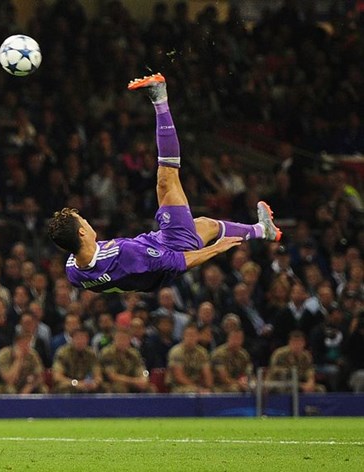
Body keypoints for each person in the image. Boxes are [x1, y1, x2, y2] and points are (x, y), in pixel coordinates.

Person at [48, 73, 281, 294]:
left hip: (156, 251)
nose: (88, 223)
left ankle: (263, 230)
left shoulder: (73, 271)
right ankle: (159, 97)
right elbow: (180, 263)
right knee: (166, 179)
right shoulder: (127, 256)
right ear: (81, 232)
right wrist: (216, 249)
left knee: (206, 225)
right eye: (84, 222)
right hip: (170, 249)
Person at [165, 323, 214, 393]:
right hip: (178, 386)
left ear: (198, 337)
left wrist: (209, 387)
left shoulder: (202, 352)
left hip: (197, 384)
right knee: (192, 392)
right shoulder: (176, 351)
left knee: (213, 392)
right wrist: (196, 388)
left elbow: (207, 372)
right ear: (183, 336)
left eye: (194, 335)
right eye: (188, 335)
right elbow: (178, 376)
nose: (191, 338)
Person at [211, 328, 253, 393]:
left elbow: (248, 372)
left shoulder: (244, 355)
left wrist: (246, 382)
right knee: (234, 390)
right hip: (220, 386)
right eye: (234, 338)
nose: (236, 341)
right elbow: (224, 378)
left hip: (240, 384)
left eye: (239, 339)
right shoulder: (218, 354)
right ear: (228, 338)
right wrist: (238, 384)